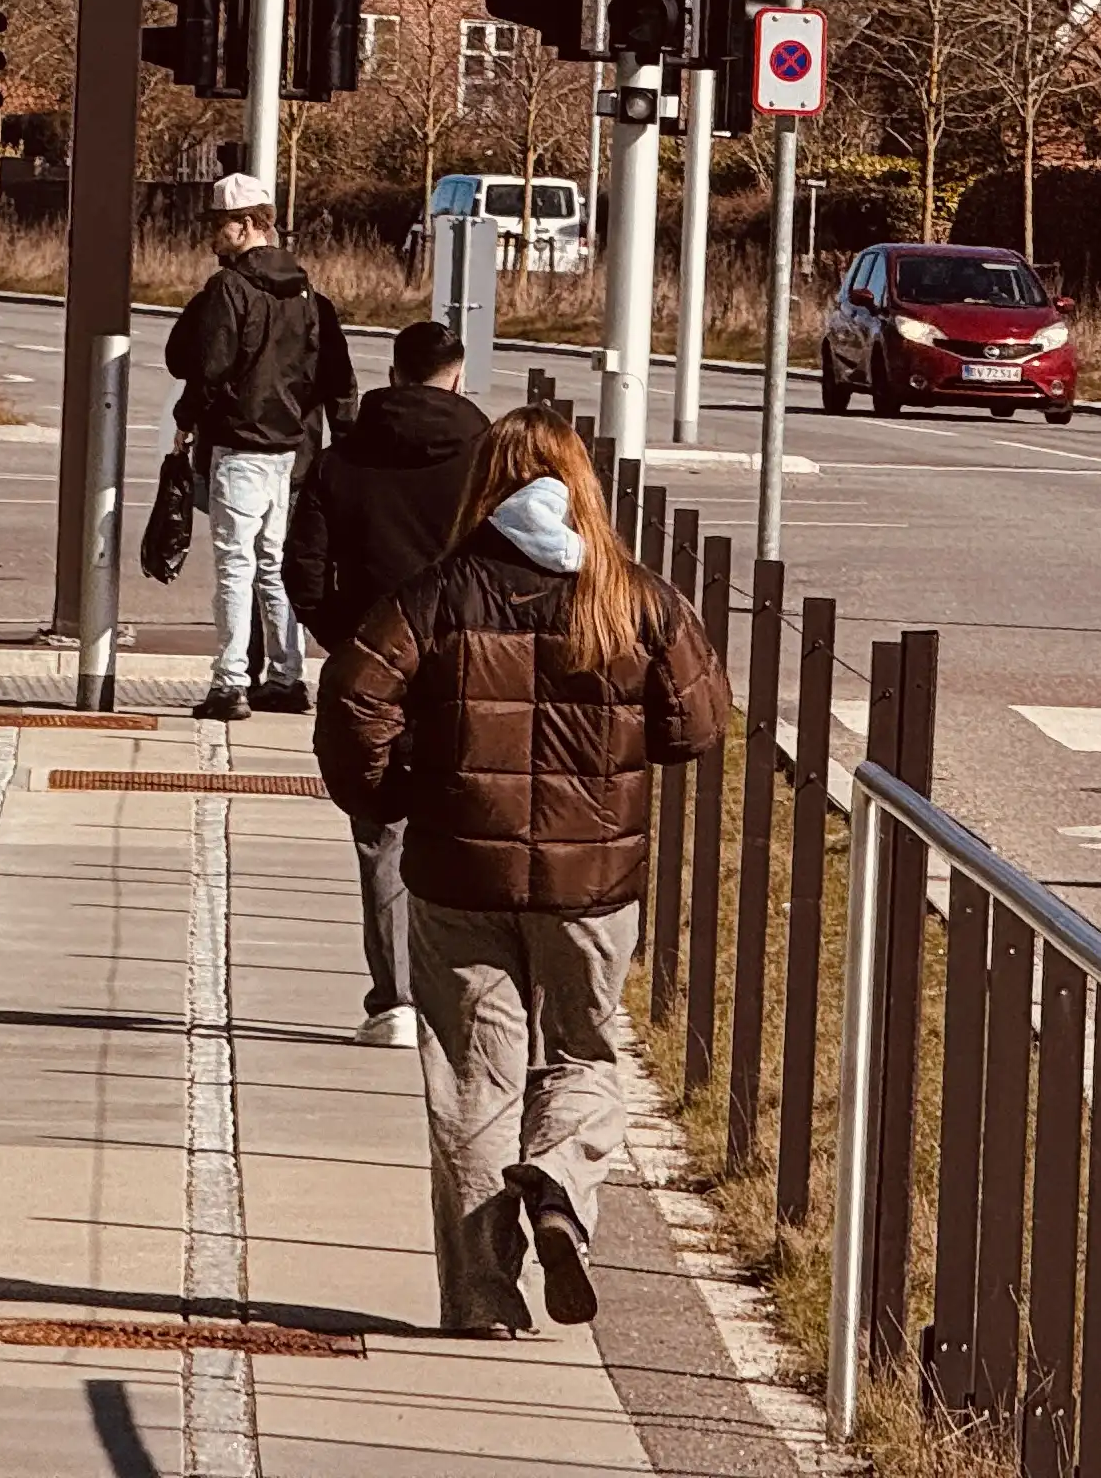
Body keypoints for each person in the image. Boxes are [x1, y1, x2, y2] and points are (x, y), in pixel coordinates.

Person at [312, 407, 729, 1339]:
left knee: (472, 1081)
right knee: (585, 1052)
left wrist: (388, 794)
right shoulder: (636, 600)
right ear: (584, 486)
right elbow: (698, 727)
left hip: (459, 873)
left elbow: (353, 696)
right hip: (592, 884)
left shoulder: (437, 594)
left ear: (484, 486)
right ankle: (559, 1182)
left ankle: (483, 1299)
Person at [287, 318, 492, 1049]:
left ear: (395, 374)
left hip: (374, 668)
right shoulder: (489, 461)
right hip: (470, 665)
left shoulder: (342, 461)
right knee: (471, 823)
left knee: (381, 830)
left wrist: (349, 641)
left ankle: (397, 999)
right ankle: (466, 992)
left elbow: (304, 570)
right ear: (457, 376)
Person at [163, 170, 354, 723]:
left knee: (235, 565)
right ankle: (287, 676)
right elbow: (330, 376)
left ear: (248, 225)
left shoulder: (229, 288)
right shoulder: (307, 291)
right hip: (290, 450)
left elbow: (208, 367)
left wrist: (186, 419)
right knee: (274, 564)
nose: (212, 236)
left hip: (239, 444)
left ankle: (229, 683)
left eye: (220, 225)